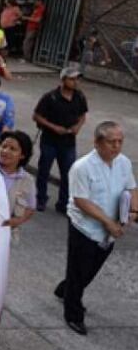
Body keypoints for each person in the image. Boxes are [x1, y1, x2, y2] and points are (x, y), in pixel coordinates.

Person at [56, 121, 137, 335]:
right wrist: (107, 222)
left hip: (111, 229)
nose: (116, 146)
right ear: (97, 142)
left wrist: (133, 211)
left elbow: (132, 188)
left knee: (90, 271)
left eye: (120, 142)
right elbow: (81, 201)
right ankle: (73, 314)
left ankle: (65, 289)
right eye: (111, 142)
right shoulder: (82, 167)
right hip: (85, 227)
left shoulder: (123, 163)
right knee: (79, 270)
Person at [33, 65, 88, 213]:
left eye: (77, 79)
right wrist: (53, 127)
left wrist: (77, 127)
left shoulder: (79, 97)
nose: (75, 82)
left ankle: (63, 203)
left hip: (69, 142)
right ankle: (40, 199)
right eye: (72, 79)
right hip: (50, 141)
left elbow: (83, 115)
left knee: (68, 174)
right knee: (44, 171)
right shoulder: (50, 97)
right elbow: (37, 116)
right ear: (63, 80)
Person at [0, 130, 37, 244]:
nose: (6, 151)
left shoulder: (27, 180)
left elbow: (30, 207)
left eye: (13, 149)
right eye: (4, 146)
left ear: (22, 155)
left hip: (5, 235)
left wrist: (16, 221)